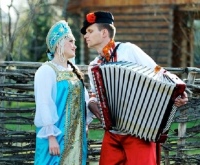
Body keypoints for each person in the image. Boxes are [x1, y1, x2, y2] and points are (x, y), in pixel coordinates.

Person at [80, 11, 189, 165]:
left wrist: (178, 91)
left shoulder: (128, 50)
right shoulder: (94, 66)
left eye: (90, 31)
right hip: (112, 133)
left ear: (104, 32)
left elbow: (158, 72)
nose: (85, 35)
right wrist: (96, 108)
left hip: (139, 131)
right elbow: (93, 96)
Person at [34, 20, 90, 165]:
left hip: (77, 140)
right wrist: (51, 137)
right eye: (71, 41)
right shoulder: (47, 70)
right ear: (59, 43)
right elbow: (44, 103)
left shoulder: (74, 72)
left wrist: (85, 125)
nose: (75, 45)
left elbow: (85, 101)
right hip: (56, 138)